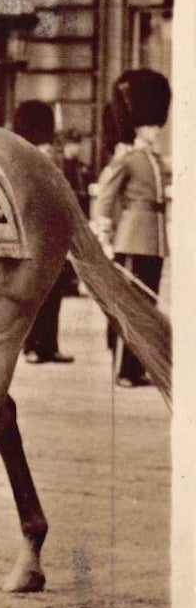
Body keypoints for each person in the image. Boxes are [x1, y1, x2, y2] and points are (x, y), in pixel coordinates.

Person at [94, 69, 170, 388]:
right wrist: (105, 233)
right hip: (133, 237)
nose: (156, 129)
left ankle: (136, 366)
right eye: (151, 124)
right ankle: (124, 369)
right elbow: (105, 196)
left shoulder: (151, 158)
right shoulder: (126, 158)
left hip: (154, 239)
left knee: (146, 307)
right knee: (131, 305)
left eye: (156, 123)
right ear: (138, 123)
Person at [13, 101, 74, 365]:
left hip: (53, 240)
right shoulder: (23, 163)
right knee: (31, 298)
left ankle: (49, 344)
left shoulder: (49, 164)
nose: (50, 146)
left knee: (54, 294)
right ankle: (31, 346)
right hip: (32, 239)